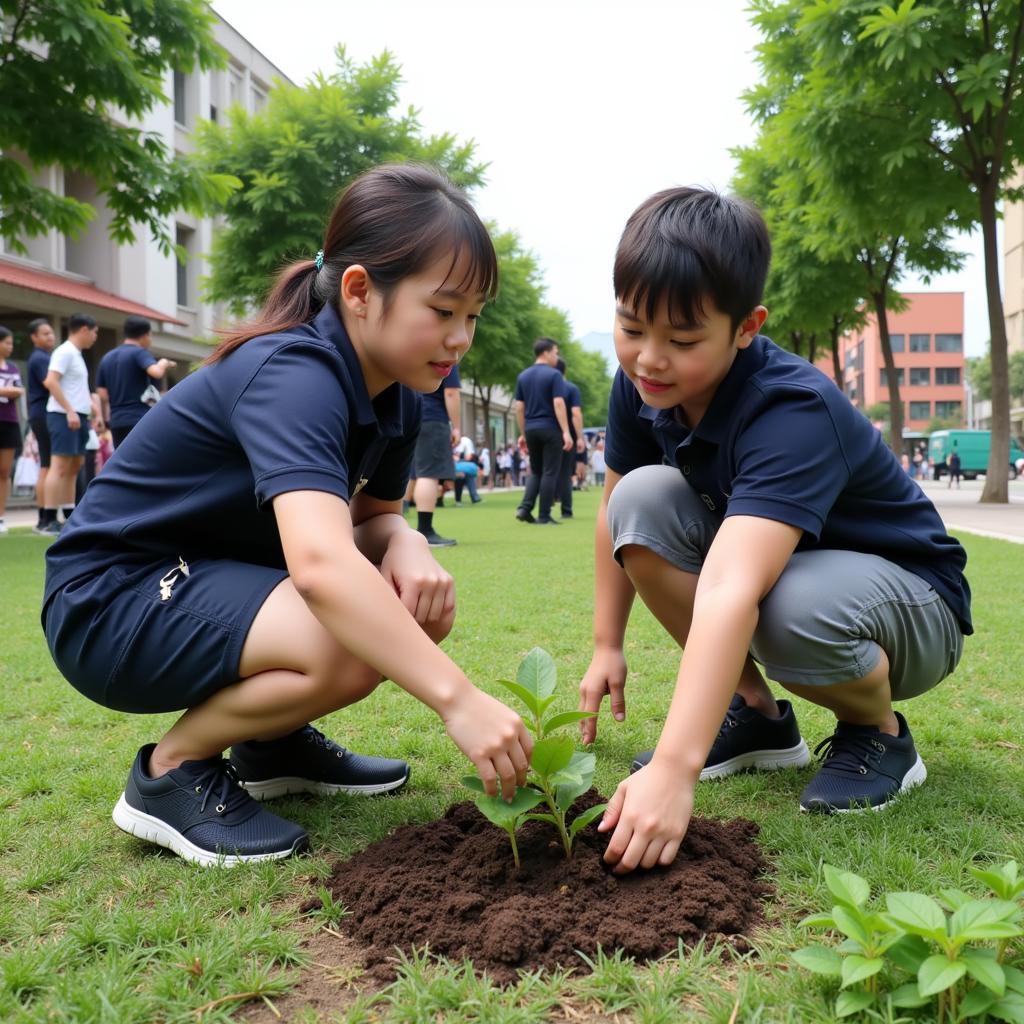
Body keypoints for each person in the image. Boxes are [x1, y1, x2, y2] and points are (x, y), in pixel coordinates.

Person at [42, 163, 532, 867]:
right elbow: (324, 567)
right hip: (110, 599)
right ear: (360, 291)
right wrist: (459, 700)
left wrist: (403, 542)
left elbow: (371, 519)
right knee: (349, 638)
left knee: (397, 600)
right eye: (444, 311)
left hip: (200, 582)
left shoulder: (392, 394)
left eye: (473, 317)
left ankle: (271, 744)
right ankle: (170, 772)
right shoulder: (294, 374)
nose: (462, 338)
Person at [578, 186, 971, 876]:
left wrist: (675, 768)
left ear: (746, 326)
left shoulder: (792, 409)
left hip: (912, 605)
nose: (649, 358)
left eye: (683, 339)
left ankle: (879, 734)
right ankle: (754, 713)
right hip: (798, 577)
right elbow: (616, 508)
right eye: (632, 328)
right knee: (640, 499)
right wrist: (606, 644)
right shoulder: (643, 385)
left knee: (782, 606)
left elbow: (733, 584)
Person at [40, 313, 103, 534]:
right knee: (59, 465)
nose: (95, 337)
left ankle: (68, 515)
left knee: (75, 466)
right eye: (95, 332)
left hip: (78, 417)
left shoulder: (77, 355)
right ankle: (48, 519)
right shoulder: (64, 351)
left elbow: (78, 389)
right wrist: (69, 410)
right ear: (84, 329)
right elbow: (51, 381)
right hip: (63, 415)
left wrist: (93, 410)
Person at [514, 338, 572, 524]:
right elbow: (558, 403)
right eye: (555, 352)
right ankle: (544, 515)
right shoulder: (554, 375)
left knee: (536, 471)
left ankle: (525, 508)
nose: (557, 356)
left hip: (531, 428)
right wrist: (566, 431)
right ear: (546, 353)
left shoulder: (523, 376)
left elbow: (519, 408)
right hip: (550, 428)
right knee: (549, 471)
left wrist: (523, 433)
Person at [96, 316, 177, 448]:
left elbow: (102, 393)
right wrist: (163, 363)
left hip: (116, 421)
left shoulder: (107, 357)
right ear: (144, 335)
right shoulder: (139, 353)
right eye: (150, 335)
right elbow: (156, 372)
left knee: (123, 461)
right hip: (139, 419)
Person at [412, 358, 462, 546]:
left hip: (410, 415)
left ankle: (395, 527)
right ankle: (425, 530)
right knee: (429, 474)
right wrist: (456, 427)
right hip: (433, 418)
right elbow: (450, 393)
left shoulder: (412, 351)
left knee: (412, 473)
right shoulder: (445, 358)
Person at [26, 318, 56, 532]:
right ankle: (45, 518)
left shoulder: (43, 357)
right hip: (44, 413)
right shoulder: (39, 358)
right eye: (45, 333)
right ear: (34, 337)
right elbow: (51, 383)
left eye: (51, 333)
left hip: (41, 413)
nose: (50, 336)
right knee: (48, 464)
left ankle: (45, 518)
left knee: (47, 464)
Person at [0, 326, 25, 534]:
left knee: (4, 471)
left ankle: (1, 517)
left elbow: (19, 391)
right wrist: (10, 391)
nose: (10, 347)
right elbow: (13, 390)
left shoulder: (13, 368)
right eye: (6, 342)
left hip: (9, 421)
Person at [555, 357, 585, 519]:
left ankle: (544, 510)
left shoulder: (545, 387)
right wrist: (579, 437)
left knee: (547, 472)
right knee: (566, 472)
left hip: (548, 434)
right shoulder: (571, 388)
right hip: (568, 437)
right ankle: (566, 511)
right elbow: (576, 413)